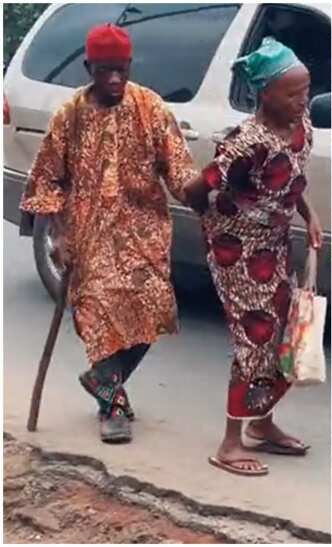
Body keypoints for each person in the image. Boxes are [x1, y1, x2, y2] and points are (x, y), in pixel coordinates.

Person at [19, 24, 197, 444]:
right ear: (88, 68)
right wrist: (59, 235)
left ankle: (102, 379)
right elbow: (45, 180)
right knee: (98, 317)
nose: (114, 79)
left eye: (120, 70)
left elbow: (180, 169)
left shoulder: (149, 107)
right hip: (88, 235)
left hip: (144, 232)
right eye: (104, 71)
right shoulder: (70, 115)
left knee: (156, 310)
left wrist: (206, 190)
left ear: (130, 66)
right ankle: (111, 406)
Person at [184, 38, 322, 476]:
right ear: (265, 94)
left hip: (275, 241)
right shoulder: (246, 143)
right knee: (255, 335)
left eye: (306, 90)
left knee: (283, 330)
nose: (303, 100)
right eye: (292, 93)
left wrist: (309, 214)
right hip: (236, 248)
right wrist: (216, 222)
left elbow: (292, 179)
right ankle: (229, 443)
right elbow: (195, 190)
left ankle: (261, 425)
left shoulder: (301, 127)